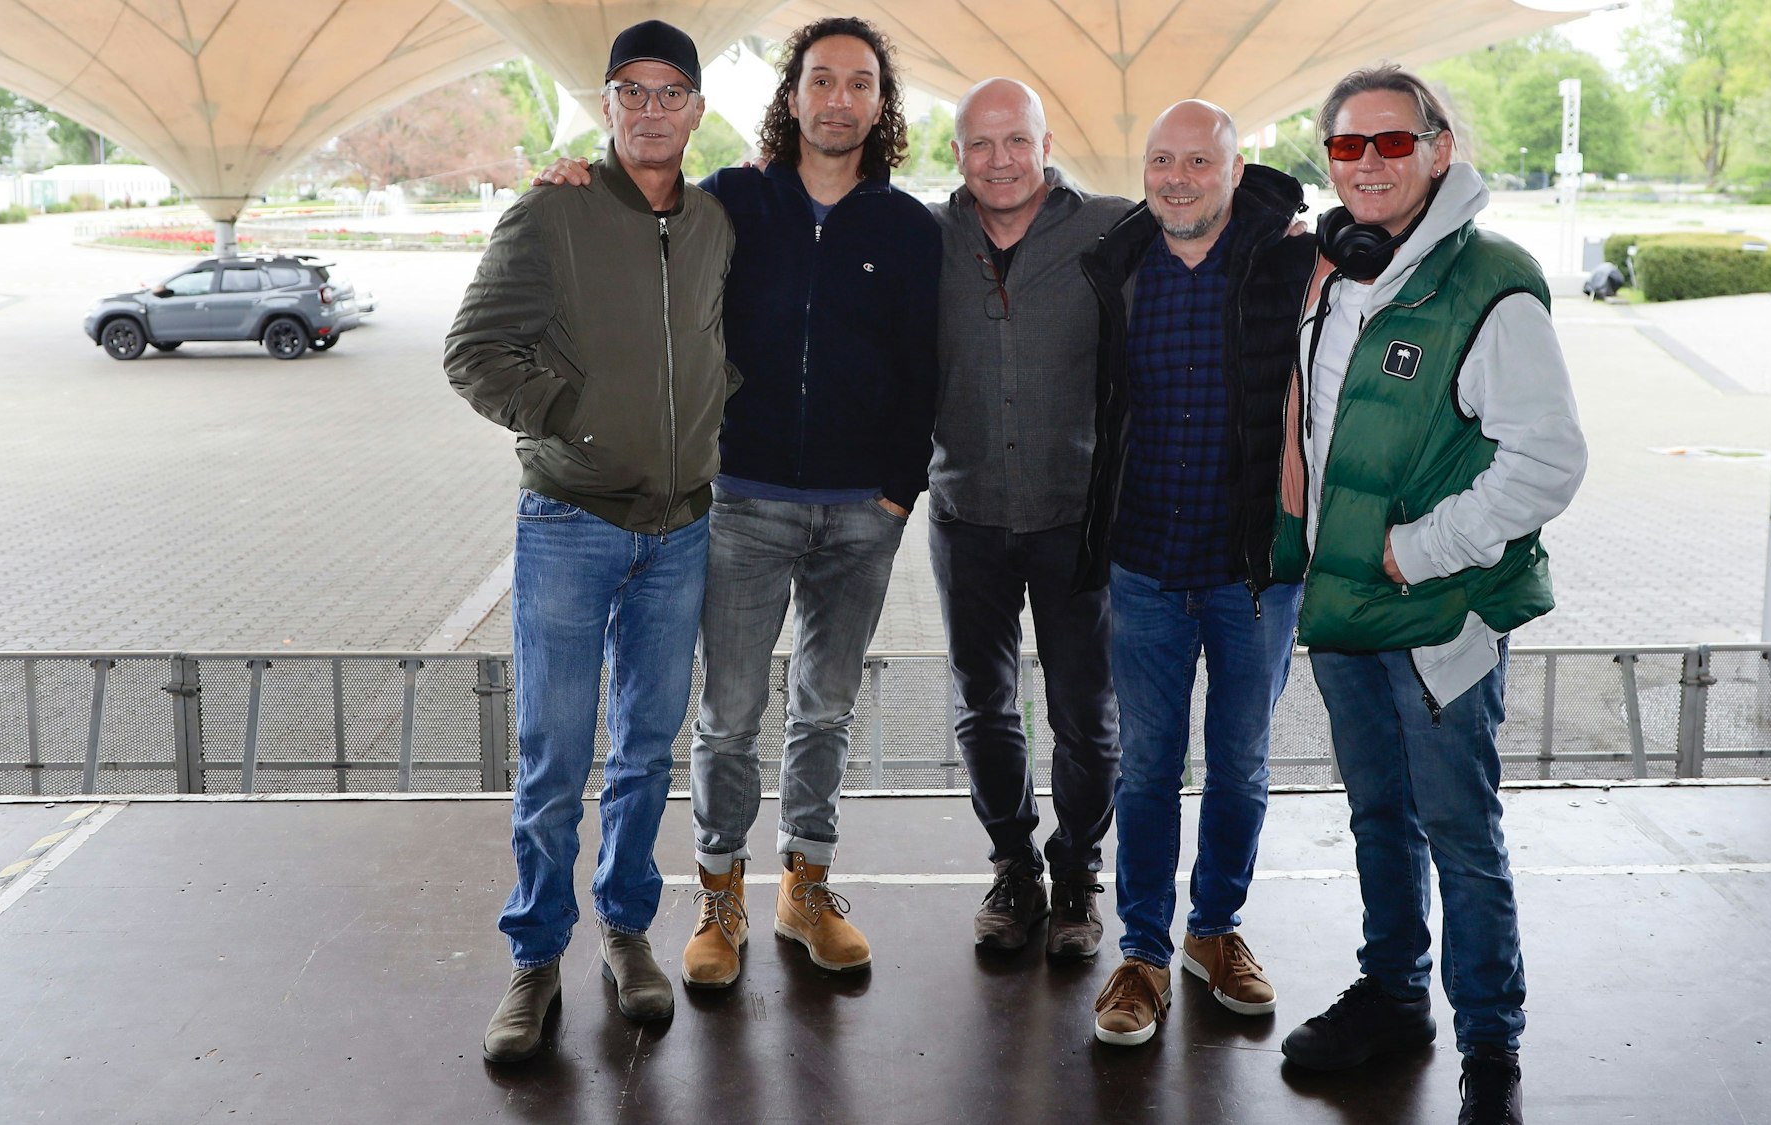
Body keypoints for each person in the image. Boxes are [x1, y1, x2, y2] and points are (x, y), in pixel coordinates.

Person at [535, 15, 939, 986]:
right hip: (746, 505)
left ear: (878, 106)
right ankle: (721, 896)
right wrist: (576, 180)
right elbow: (638, 214)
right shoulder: (731, 203)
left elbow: (928, 367)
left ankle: (806, 888)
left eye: (858, 83)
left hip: (860, 516)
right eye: (820, 80)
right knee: (729, 712)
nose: (838, 98)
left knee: (826, 709)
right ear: (791, 96)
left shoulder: (906, 226)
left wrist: (896, 493)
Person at [1272, 66, 1586, 1125]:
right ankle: (1394, 998)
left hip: (1435, 618)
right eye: (1346, 147)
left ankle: (1489, 1048)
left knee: (1458, 829)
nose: (1366, 163)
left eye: (1390, 143)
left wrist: (1417, 550)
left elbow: (1545, 460)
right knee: (1375, 817)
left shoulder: (1489, 282)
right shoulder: (1337, 278)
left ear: (1438, 150)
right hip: (1346, 612)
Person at [444, 20, 736, 1063]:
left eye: (671, 92)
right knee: (555, 756)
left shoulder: (711, 222)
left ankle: (624, 933)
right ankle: (532, 957)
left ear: (696, 109)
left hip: (683, 526)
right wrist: (571, 415)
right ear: (605, 108)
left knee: (648, 751)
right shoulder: (551, 213)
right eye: (632, 92)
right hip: (570, 520)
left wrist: (703, 425)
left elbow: (718, 344)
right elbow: (474, 352)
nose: (652, 109)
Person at [1075, 100, 1316, 1046]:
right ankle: (1141, 950)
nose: (1178, 178)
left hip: (1253, 572)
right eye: (1161, 161)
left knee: (1243, 767)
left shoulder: (1286, 257)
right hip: (1142, 566)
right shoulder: (1120, 265)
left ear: (1235, 165)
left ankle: (1214, 931)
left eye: (1198, 162)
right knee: (1146, 769)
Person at [928, 78, 1129, 959]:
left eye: (1017, 142)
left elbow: (1213, 216)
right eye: (981, 144)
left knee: (1087, 712)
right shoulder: (926, 238)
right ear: (959, 153)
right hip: (965, 510)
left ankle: (1079, 868)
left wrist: (1279, 225)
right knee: (984, 703)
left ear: (1046, 145)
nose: (1000, 161)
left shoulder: (1110, 227)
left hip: (1075, 516)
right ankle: (1014, 863)